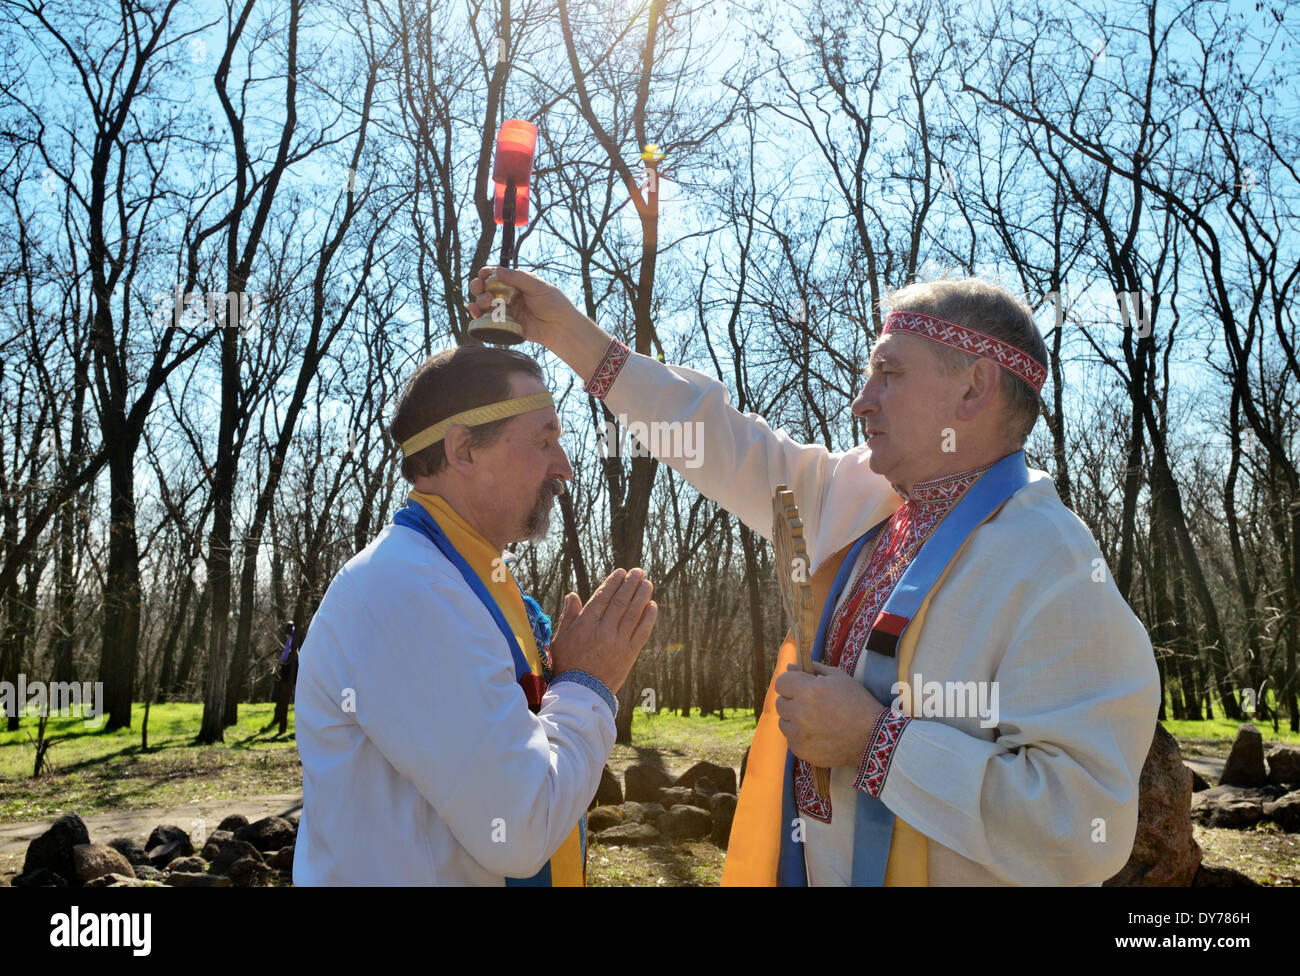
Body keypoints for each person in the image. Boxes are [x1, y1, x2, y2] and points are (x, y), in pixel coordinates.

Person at [467, 266, 1161, 886]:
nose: (862, 400)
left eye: (889, 374)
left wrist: (876, 744)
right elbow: (717, 437)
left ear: (974, 386)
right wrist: (570, 335)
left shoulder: (1054, 566)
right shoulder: (863, 499)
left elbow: (1081, 830)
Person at [293, 344, 658, 885]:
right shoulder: (407, 590)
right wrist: (589, 684)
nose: (565, 468)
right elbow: (518, 827)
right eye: (544, 440)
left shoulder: (460, 581)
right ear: (464, 450)